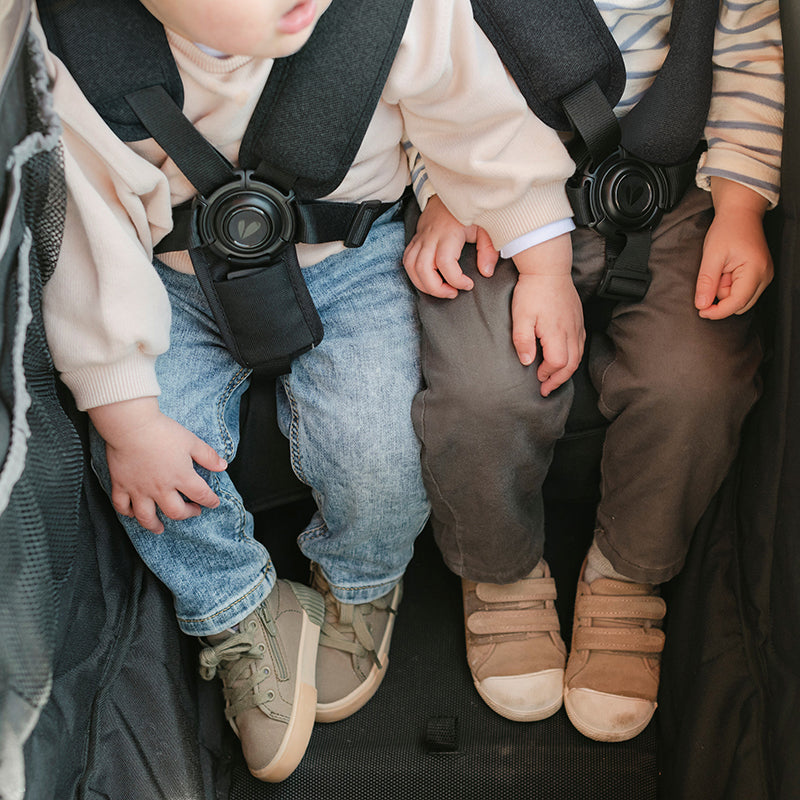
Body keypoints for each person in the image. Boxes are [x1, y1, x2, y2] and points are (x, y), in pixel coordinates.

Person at [33, 0, 580, 782]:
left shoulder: (390, 15)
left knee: (379, 446)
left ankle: (361, 578)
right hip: (166, 277)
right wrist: (126, 416)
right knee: (147, 468)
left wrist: (547, 265)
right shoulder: (85, 51)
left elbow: (481, 128)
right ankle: (237, 609)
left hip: (351, 252)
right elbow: (87, 244)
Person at [403, 0, 783, 741]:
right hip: (491, 181)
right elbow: (422, 64)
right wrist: (439, 185)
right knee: (482, 386)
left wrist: (741, 208)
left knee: (695, 380)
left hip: (670, 188)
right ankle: (499, 567)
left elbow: (748, 68)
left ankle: (629, 570)